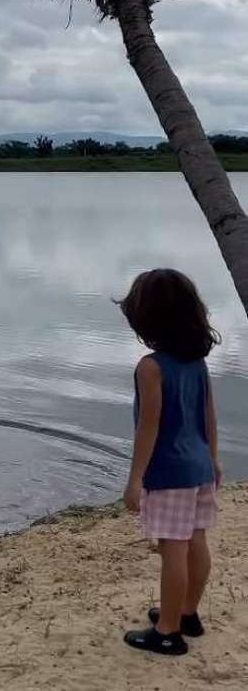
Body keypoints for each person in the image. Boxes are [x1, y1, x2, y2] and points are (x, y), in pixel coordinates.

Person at [118, 269, 221, 656]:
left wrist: (135, 480)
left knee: (173, 551)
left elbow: (149, 427)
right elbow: (209, 415)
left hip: (170, 473)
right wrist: (213, 460)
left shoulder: (151, 367)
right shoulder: (197, 362)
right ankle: (188, 613)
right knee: (197, 541)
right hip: (199, 466)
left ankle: (167, 630)